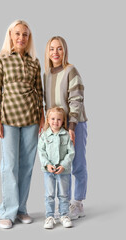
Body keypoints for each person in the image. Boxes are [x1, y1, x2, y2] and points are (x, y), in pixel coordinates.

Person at [0, 20, 44, 229]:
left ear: (29, 38)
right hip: (9, 119)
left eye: (25, 34)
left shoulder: (34, 62)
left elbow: (39, 92)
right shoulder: (1, 60)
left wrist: (42, 117)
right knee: (9, 165)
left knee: (27, 165)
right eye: (18, 34)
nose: (21, 38)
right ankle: (8, 211)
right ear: (11, 36)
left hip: (31, 118)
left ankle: (21, 209)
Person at [43, 36, 88, 220]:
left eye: (59, 48)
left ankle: (77, 203)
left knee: (77, 164)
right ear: (48, 52)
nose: (55, 52)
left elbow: (76, 98)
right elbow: (47, 104)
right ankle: (65, 204)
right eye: (52, 49)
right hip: (56, 129)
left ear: (64, 51)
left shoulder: (71, 71)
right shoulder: (46, 75)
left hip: (74, 125)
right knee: (63, 166)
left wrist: (71, 125)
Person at [38, 107, 75, 229]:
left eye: (59, 119)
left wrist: (64, 165)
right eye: (53, 119)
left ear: (63, 121)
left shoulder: (66, 135)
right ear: (48, 120)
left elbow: (71, 152)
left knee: (64, 194)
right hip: (49, 171)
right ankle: (49, 216)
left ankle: (64, 215)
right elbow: (41, 151)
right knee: (49, 194)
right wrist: (47, 164)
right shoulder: (44, 135)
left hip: (63, 171)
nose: (55, 122)